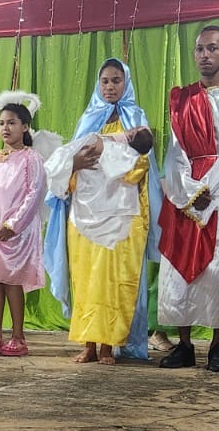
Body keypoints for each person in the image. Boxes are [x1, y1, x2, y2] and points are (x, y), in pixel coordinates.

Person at [43, 58, 160, 366]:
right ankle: (89, 345)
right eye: (105, 81)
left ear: (126, 83)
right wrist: (75, 164)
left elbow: (143, 163)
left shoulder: (136, 119)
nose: (110, 87)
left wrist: (119, 160)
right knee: (86, 280)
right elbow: (69, 159)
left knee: (114, 280)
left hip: (121, 214)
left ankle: (109, 345)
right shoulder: (89, 119)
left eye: (116, 80)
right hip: (85, 214)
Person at [157, 24, 219, 373]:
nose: (205, 55)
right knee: (179, 270)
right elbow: (175, 151)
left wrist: (210, 191)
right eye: (200, 49)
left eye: (212, 48)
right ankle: (185, 346)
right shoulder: (182, 99)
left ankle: (217, 347)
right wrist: (188, 192)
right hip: (186, 194)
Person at [0, 93, 48, 358]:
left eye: (12, 123)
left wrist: (12, 225)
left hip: (16, 232)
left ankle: (18, 336)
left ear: (25, 126)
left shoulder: (31, 158)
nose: (5, 128)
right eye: (2, 123)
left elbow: (34, 193)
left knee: (13, 281)